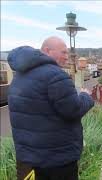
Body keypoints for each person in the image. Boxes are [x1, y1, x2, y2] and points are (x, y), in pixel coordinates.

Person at [7, 36, 94, 180]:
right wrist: (86, 96)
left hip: (28, 156)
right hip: (56, 159)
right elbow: (73, 110)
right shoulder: (55, 74)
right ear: (47, 50)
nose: (67, 57)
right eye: (63, 52)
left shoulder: (19, 76)